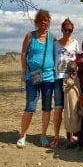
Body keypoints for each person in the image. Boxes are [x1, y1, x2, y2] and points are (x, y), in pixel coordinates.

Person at [17, 9, 56, 148]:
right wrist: (23, 70)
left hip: (49, 77)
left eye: (46, 20)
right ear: (37, 22)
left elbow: (61, 51)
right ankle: (23, 135)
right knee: (30, 106)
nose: (44, 23)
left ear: (49, 22)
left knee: (46, 108)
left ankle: (43, 135)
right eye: (41, 20)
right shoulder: (30, 36)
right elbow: (23, 54)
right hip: (32, 75)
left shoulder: (52, 37)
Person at [52, 18, 80, 148]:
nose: (68, 32)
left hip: (71, 80)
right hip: (59, 79)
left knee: (72, 108)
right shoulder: (56, 44)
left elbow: (78, 59)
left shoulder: (75, 43)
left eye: (70, 30)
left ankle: (71, 136)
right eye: (66, 30)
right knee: (59, 108)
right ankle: (56, 136)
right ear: (62, 29)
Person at [63, 61, 82, 148]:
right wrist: (70, 82)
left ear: (77, 70)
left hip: (76, 106)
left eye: (74, 71)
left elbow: (80, 93)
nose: (72, 73)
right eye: (70, 71)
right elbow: (65, 89)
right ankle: (68, 140)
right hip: (68, 106)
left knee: (76, 122)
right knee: (68, 122)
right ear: (67, 71)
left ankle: (77, 141)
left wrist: (81, 107)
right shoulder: (66, 80)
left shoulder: (78, 80)